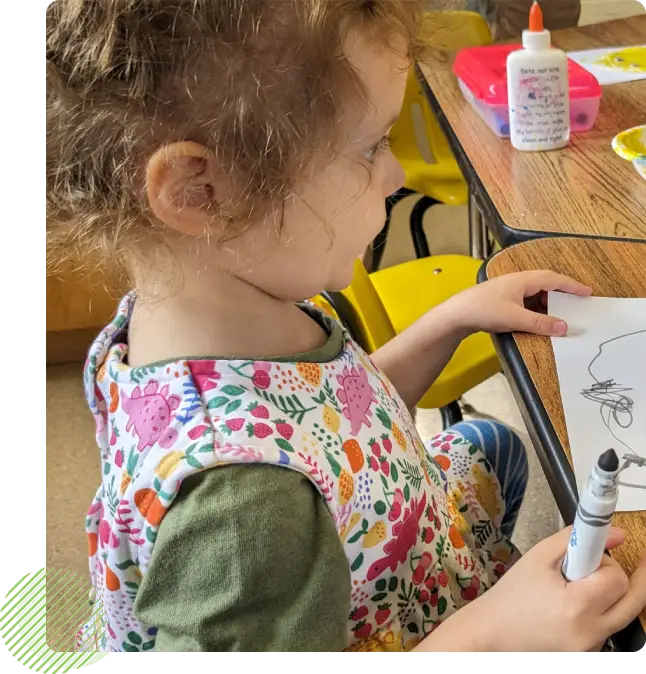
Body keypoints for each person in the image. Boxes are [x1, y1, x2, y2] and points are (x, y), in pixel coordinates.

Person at [46, 0, 645, 654]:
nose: (398, 176)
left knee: (490, 442)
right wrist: (494, 633)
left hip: (383, 532)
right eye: (371, 147)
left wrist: (455, 318)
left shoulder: (226, 308)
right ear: (200, 192)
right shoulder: (243, 521)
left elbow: (332, 415)